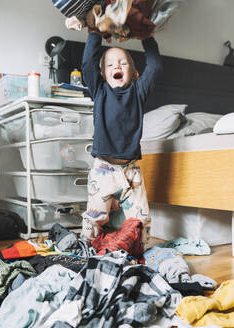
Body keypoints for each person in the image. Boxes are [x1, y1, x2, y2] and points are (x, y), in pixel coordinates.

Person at [80, 30, 162, 252]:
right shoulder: (99, 91)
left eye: (123, 63)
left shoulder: (138, 92)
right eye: (110, 65)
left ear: (134, 74)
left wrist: (146, 35)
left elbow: (154, 66)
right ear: (103, 75)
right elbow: (88, 62)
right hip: (103, 169)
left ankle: (141, 252)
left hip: (131, 171)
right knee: (94, 217)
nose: (116, 67)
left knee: (141, 218)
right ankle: (86, 249)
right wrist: (95, 33)